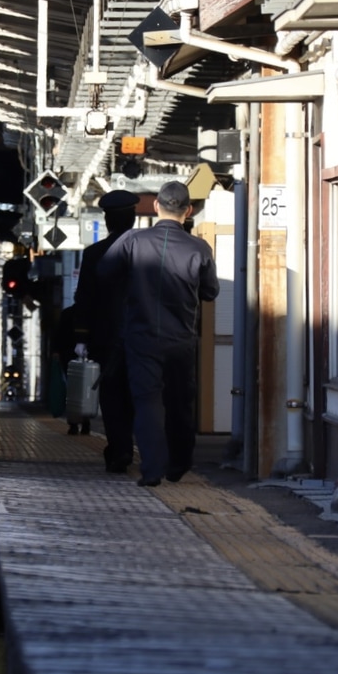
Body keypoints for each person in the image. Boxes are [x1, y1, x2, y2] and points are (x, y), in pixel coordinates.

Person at [98, 180, 219, 487]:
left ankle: (152, 470)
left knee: (147, 401)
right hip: (182, 338)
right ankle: (179, 463)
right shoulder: (199, 248)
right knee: (180, 401)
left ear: (155, 206)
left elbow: (104, 273)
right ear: (188, 211)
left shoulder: (133, 241)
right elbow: (210, 291)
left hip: (142, 336)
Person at [73, 189, 138, 471]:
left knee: (112, 397)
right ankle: (134, 447)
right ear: (134, 218)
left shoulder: (94, 254)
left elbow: (83, 299)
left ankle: (120, 449)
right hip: (143, 338)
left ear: (107, 220)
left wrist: (81, 337)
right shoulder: (149, 251)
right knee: (139, 394)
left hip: (106, 339)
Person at [50, 304, 88, 434]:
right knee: (86, 390)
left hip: (68, 358)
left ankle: (73, 424)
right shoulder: (93, 312)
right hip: (88, 358)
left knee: (71, 391)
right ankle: (85, 422)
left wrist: (56, 351)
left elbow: (58, 334)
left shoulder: (67, 313)